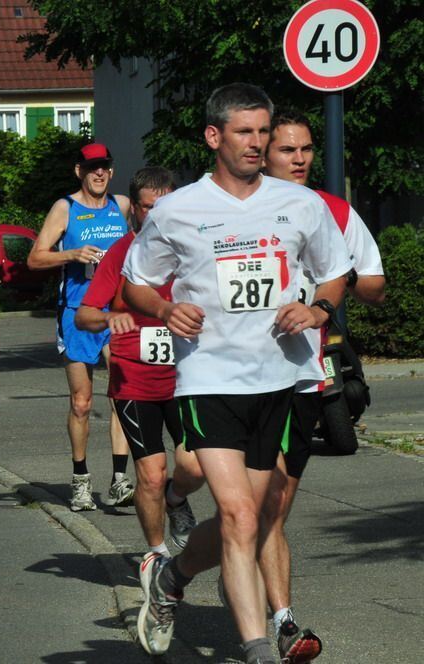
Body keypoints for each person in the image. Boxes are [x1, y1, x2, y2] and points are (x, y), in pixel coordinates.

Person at [124, 83, 351, 664]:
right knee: (238, 514)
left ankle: (171, 577)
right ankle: (255, 648)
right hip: (209, 377)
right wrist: (165, 308)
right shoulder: (178, 209)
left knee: (251, 521)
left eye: (263, 132)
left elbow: (334, 273)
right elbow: (136, 281)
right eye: (245, 132)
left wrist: (319, 308)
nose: (257, 143)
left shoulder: (301, 204)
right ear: (214, 136)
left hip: (279, 377)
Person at [257, 110, 386, 662]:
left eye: (307, 149)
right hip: (233, 378)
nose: (301, 159)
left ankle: (278, 618)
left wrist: (331, 282)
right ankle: (189, 564)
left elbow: (375, 287)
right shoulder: (233, 207)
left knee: (273, 506)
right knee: (239, 503)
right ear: (263, 153)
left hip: (302, 376)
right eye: (288, 150)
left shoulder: (335, 211)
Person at [75, 167, 205, 565]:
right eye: (148, 208)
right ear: (135, 209)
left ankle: (176, 497)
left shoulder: (194, 248)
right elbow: (84, 316)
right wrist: (108, 318)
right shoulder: (120, 254)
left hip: (189, 377)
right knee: (149, 473)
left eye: (164, 206)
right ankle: (156, 553)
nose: (156, 215)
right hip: (136, 380)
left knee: (195, 466)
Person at [27, 142, 135, 512]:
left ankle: (120, 479)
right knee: (82, 402)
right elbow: (35, 257)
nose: (99, 173)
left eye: (104, 166)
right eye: (92, 168)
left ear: (112, 170)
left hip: (116, 310)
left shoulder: (120, 206)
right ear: (80, 171)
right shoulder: (65, 208)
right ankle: (81, 480)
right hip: (77, 312)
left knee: (123, 393)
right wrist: (71, 254)